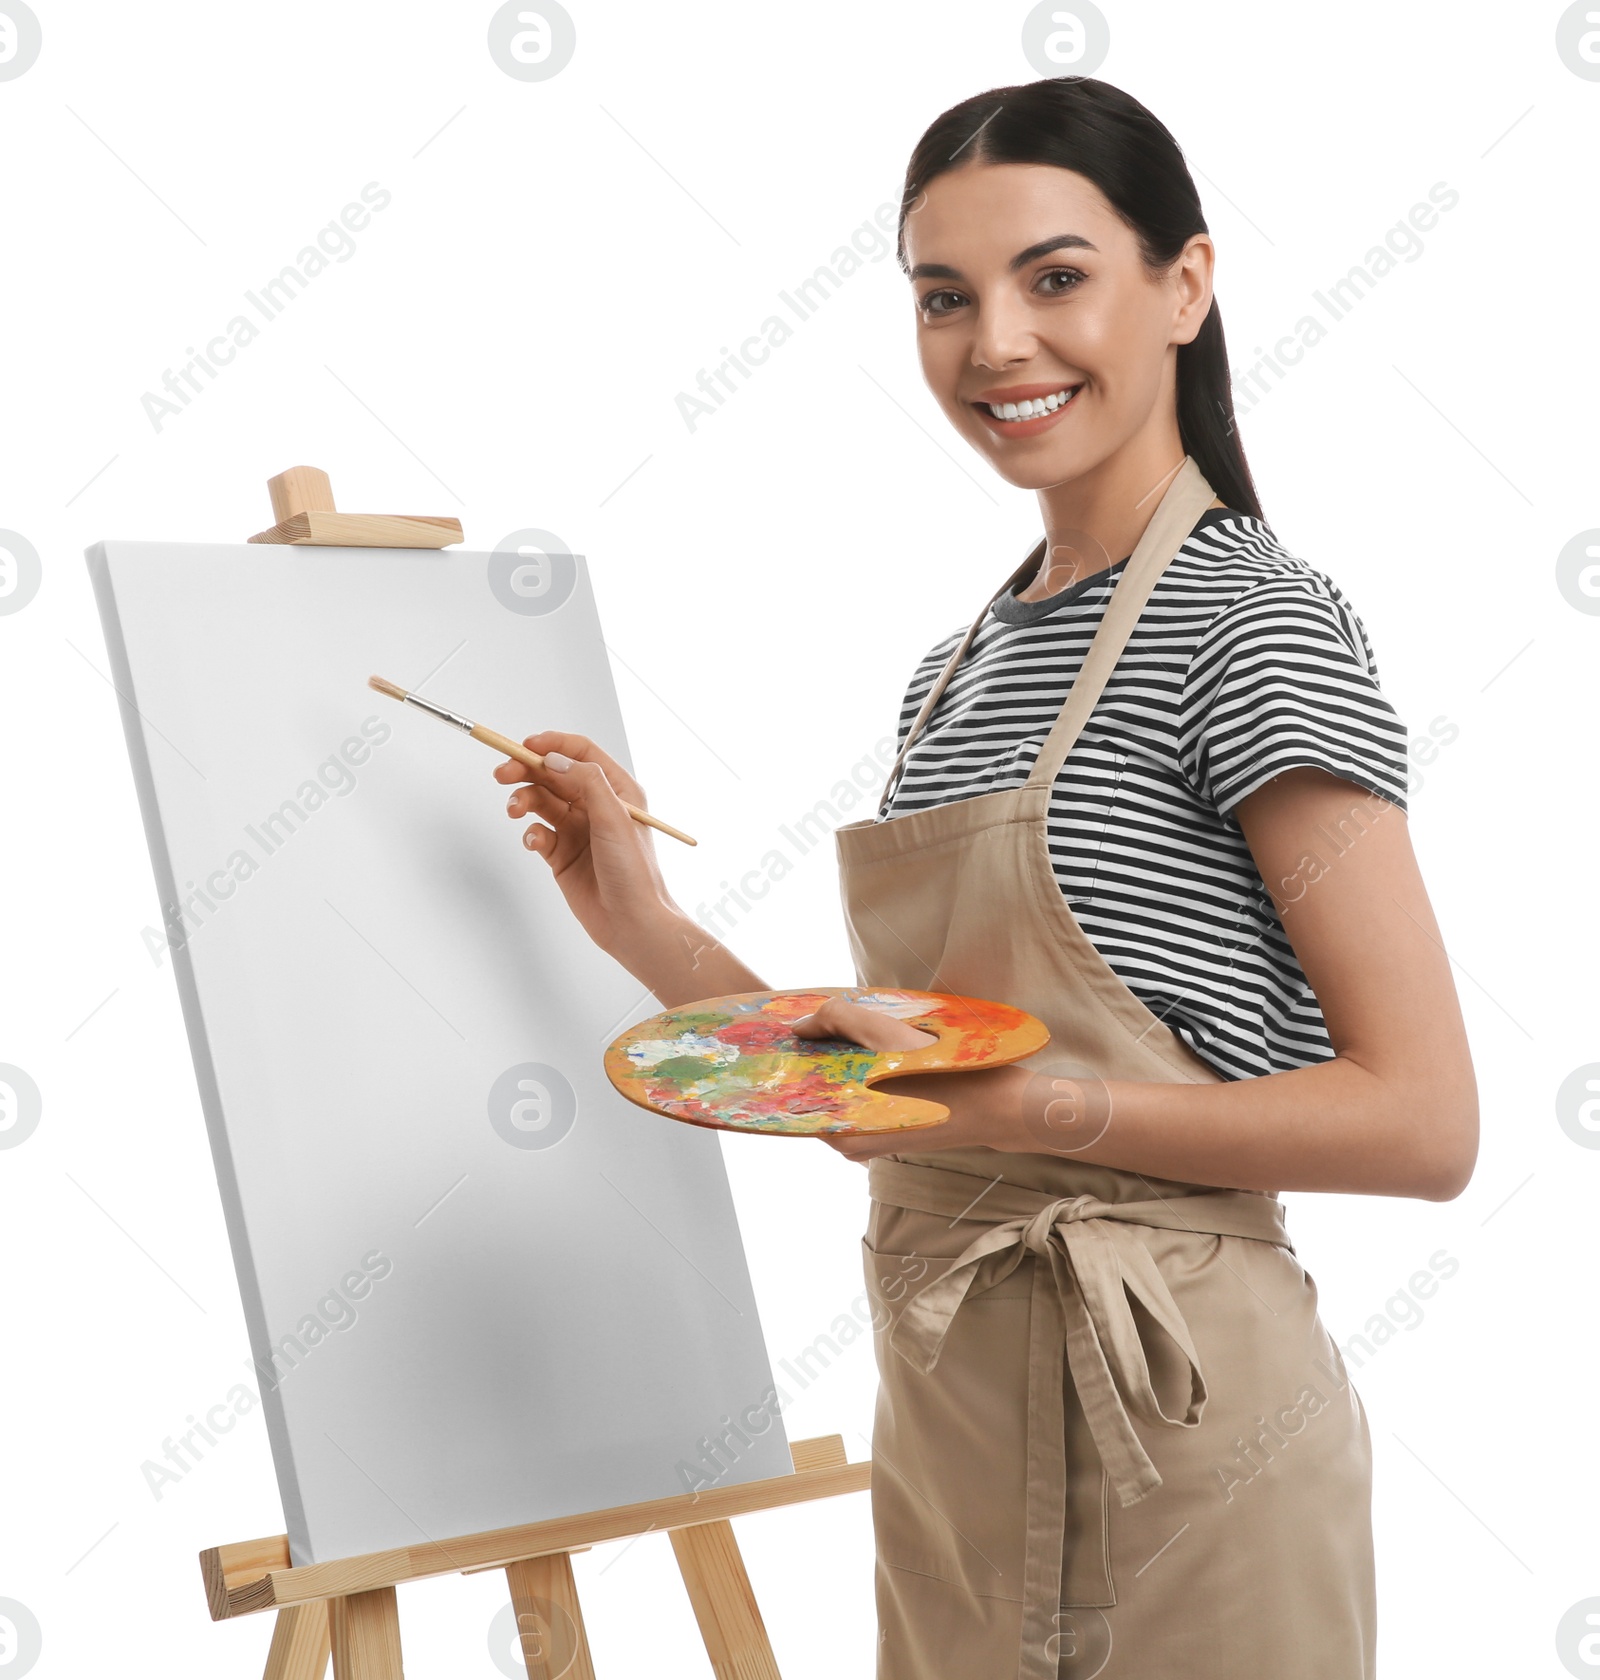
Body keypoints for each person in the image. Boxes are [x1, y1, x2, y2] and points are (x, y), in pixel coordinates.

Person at [495, 76, 1477, 1680]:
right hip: (952, 1422)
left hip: (1190, 1426)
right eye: (945, 298)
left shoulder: (1257, 628)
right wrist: (643, 924)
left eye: (1057, 276)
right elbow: (902, 1097)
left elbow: (1423, 1122)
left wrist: (1037, 1116)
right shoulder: (956, 674)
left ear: (1186, 284)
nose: (996, 343)